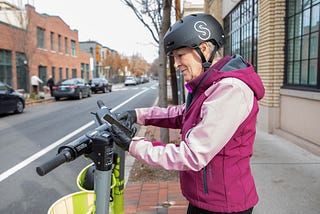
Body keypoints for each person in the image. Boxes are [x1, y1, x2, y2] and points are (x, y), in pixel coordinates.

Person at [110, 13, 265, 214]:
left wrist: (134, 145)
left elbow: (192, 155)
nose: (175, 64)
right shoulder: (210, 84)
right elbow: (181, 113)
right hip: (206, 199)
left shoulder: (230, 90)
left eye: (180, 55)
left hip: (224, 205)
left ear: (204, 49)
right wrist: (137, 114)